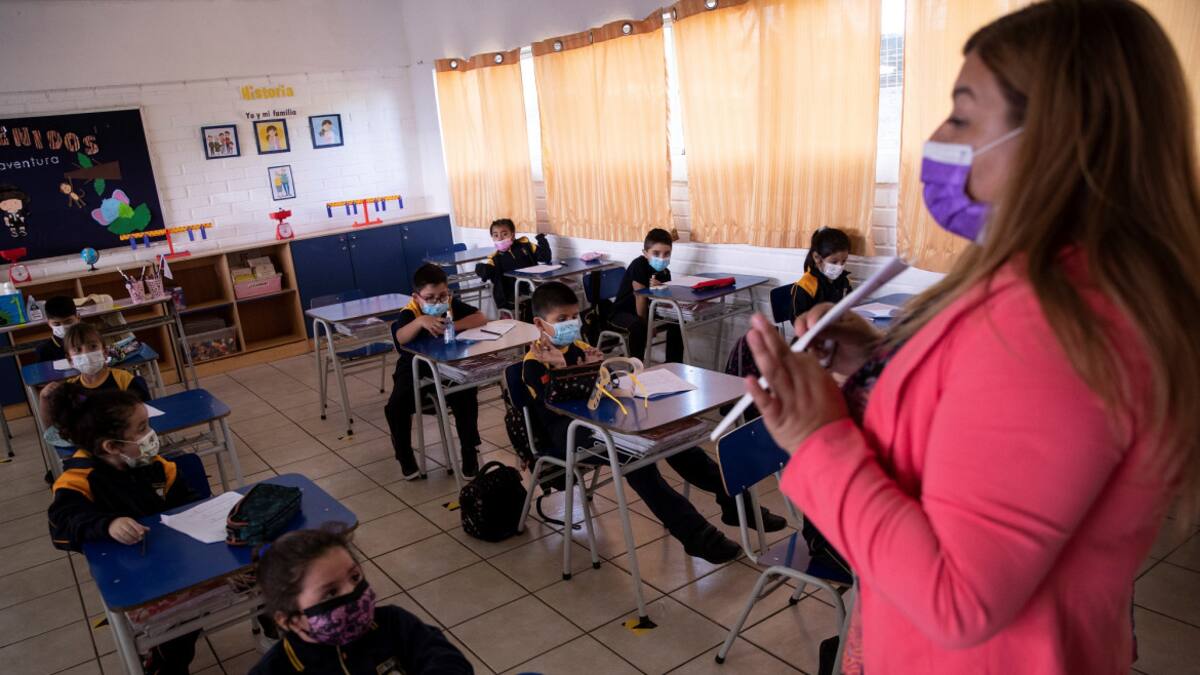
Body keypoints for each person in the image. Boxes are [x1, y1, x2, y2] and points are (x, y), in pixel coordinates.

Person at [740, 1, 1200, 673]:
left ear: (1053, 137)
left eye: (962, 113)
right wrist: (877, 362)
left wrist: (817, 437)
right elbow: (988, 440)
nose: (938, 136)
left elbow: (958, 598)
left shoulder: (1054, 322)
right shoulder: (1064, 287)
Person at [522, 282, 784, 563]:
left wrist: (599, 367)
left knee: (676, 441)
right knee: (638, 462)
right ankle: (697, 536)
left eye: (574, 317)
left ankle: (736, 504)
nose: (571, 324)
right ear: (540, 323)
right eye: (561, 320)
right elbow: (558, 405)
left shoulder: (579, 347)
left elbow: (600, 390)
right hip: (565, 434)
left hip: (600, 422)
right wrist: (564, 368)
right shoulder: (534, 361)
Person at [46, 384, 200, 673]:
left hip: (174, 560)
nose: (150, 434)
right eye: (142, 428)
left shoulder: (155, 466)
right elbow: (61, 524)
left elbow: (190, 502)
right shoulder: (79, 479)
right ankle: (164, 664)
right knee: (178, 629)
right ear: (111, 446)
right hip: (132, 574)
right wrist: (108, 524)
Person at [251, 527, 472, 674]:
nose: (353, 592)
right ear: (290, 620)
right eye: (330, 593)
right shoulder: (276, 668)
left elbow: (447, 659)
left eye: (355, 577)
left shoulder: (393, 623)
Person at [384, 264, 488, 480]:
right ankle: (404, 454)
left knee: (467, 393)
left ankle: (469, 451)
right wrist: (421, 321)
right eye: (430, 298)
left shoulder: (449, 304)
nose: (437, 302)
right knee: (395, 407)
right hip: (415, 369)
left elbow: (480, 318)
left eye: (442, 296)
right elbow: (400, 337)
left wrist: (453, 325)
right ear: (417, 297)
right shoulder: (411, 311)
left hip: (448, 367)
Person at [611, 228, 684, 363]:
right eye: (656, 253)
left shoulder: (665, 272)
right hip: (623, 312)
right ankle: (636, 366)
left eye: (667, 254)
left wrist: (662, 290)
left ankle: (674, 364)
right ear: (645, 253)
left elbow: (665, 302)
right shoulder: (638, 265)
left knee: (676, 320)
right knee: (639, 326)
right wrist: (648, 324)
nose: (662, 258)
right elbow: (640, 297)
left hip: (648, 311)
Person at [473, 218, 551, 318]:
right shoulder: (495, 259)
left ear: (513, 235)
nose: (500, 238)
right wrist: (481, 268)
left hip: (532, 291)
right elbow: (485, 273)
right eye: (496, 235)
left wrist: (541, 238)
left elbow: (545, 257)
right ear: (492, 238)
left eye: (504, 234)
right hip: (511, 298)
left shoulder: (525, 246)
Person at [790, 227, 852, 320]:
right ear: (817, 258)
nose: (840, 267)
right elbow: (798, 320)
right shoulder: (806, 285)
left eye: (843, 261)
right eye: (834, 262)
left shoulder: (845, 280)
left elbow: (851, 306)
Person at [35, 295, 81, 363]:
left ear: (78, 317)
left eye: (68, 321)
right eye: (56, 324)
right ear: (48, 323)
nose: (63, 327)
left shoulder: (90, 340)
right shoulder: (44, 350)